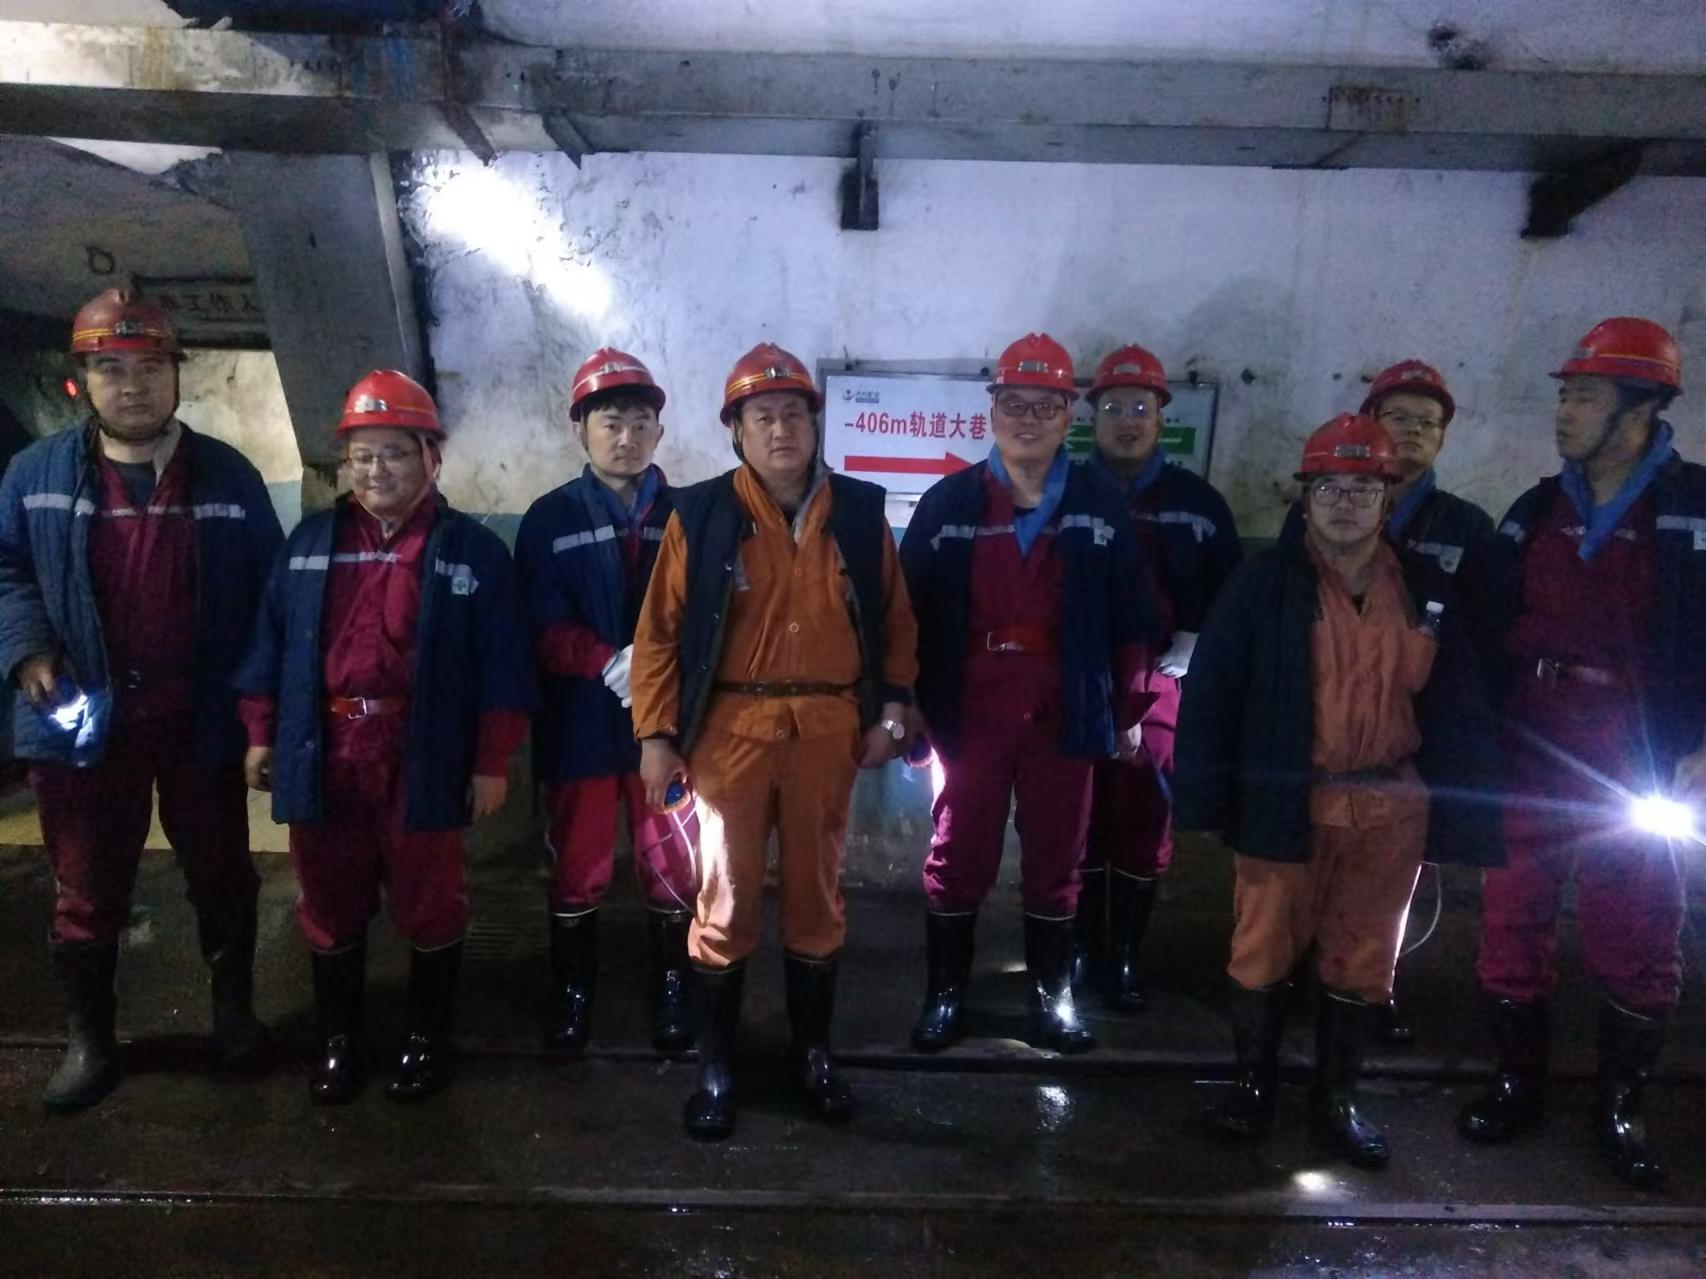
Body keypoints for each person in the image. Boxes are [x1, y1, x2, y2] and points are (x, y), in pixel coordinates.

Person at [1178, 412, 1501, 1170]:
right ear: (1305, 496)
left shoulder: (1424, 588)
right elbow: (1212, 694)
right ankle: (1253, 1090)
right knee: (1262, 950)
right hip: (1287, 800)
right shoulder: (1261, 584)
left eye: (1363, 487)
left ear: (1389, 499)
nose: (1345, 502)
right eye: (1329, 487)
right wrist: (1206, 802)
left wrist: (1463, 817)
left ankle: (1337, 1101)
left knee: (1363, 960)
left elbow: (1459, 705)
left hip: (1390, 809)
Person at [0, 288, 281, 1111]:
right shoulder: (34, 475)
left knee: (223, 872)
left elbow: (268, 598)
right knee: (87, 884)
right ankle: (90, 1041)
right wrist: (26, 649)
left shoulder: (228, 475)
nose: (133, 386)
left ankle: (233, 1013)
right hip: (82, 719)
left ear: (175, 375)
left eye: (150, 367)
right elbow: (7, 570)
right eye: (112, 368)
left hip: (197, 717)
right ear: (82, 379)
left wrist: (258, 713)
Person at [629, 343, 918, 1140]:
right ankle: (717, 1065)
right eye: (763, 416)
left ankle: (813, 1054)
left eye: (794, 413)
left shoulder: (859, 512)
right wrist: (656, 734)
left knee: (816, 896)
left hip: (828, 732)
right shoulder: (700, 514)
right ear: (737, 431)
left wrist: (892, 712)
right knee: (724, 896)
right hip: (730, 734)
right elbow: (657, 636)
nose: (781, 428)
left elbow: (896, 622)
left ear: (815, 424)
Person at [237, 370, 534, 1105]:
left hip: (422, 750)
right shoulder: (310, 543)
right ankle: (338, 1042)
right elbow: (269, 643)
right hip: (325, 748)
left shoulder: (472, 552)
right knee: (328, 896)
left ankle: (426, 1040)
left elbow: (503, 666)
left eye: (394, 452)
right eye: (362, 455)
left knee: (430, 897)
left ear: (432, 456)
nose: (376, 470)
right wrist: (261, 732)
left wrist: (491, 761)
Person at [1458, 317, 1705, 1190]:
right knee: (1511, 912)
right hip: (1534, 737)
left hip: (1640, 747)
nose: (1564, 411)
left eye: (1585, 395)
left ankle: (1620, 1105)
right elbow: (1486, 624)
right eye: (1564, 394)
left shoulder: (1694, 509)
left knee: (1636, 923)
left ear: (1641, 407)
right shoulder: (1535, 510)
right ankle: (1517, 1082)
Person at [900, 333, 1159, 1056]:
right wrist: (905, 701)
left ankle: (1053, 999)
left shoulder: (1100, 505)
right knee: (960, 849)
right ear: (991, 411)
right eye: (1014, 403)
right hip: (970, 706)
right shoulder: (949, 501)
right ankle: (945, 994)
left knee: (1058, 853)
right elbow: (903, 613)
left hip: (1065, 704)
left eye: (1045, 406)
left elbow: (1133, 619)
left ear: (1069, 416)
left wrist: (1127, 711)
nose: (1028, 419)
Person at [516, 348, 697, 1054]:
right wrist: (604, 661)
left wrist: (655, 672)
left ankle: (674, 985)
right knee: (579, 862)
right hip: (581, 725)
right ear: (581, 430)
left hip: (669, 726)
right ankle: (573, 992)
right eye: (610, 422)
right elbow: (538, 621)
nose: (626, 437)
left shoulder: (689, 514)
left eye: (640, 422)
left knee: (671, 858)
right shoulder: (548, 519)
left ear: (659, 432)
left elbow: (710, 615)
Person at [1078, 342, 1242, 1010]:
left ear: (1161, 418)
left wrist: (1204, 640)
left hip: (1165, 685)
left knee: (1144, 819)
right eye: (1114, 407)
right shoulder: (1066, 492)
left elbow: (1233, 593)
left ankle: (1123, 957)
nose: (1127, 420)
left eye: (1140, 408)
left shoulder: (1199, 502)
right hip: (1079, 681)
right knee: (1078, 817)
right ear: (1093, 417)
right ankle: (1080, 948)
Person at [1360, 358, 1497, 1045]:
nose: (1412, 431)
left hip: (1421, 726)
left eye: (1428, 422)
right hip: (1334, 720)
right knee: (1320, 854)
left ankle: (1373, 986)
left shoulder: (1469, 527)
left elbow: (1489, 635)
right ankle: (1306, 972)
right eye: (1398, 417)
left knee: (1396, 868)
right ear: (1370, 423)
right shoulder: (1330, 504)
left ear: (1443, 437)